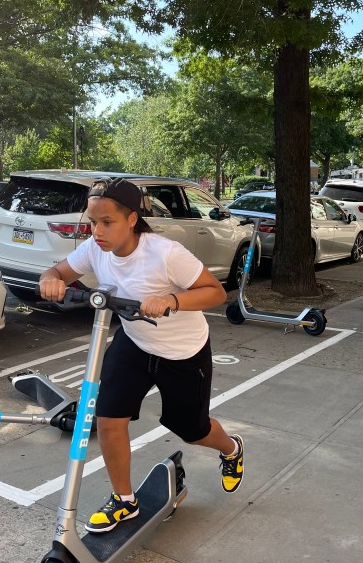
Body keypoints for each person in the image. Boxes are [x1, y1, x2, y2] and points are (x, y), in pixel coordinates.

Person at [39, 177, 244, 533]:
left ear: (132, 219)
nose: (97, 231)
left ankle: (231, 449)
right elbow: (58, 270)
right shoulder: (95, 248)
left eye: (107, 222)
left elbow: (215, 293)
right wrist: (50, 278)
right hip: (134, 342)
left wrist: (172, 300)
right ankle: (124, 500)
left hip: (182, 353)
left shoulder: (164, 253)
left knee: (191, 431)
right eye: (92, 222)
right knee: (108, 419)